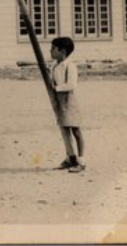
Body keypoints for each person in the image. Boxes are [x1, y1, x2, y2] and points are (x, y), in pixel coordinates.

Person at [51, 36, 86, 173]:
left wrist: (56, 88)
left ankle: (81, 161)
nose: (51, 51)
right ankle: (70, 157)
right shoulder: (54, 66)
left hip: (69, 100)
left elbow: (72, 84)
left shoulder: (70, 66)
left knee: (75, 130)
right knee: (64, 131)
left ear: (63, 51)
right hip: (59, 101)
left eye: (53, 49)